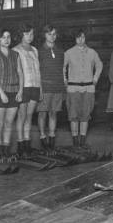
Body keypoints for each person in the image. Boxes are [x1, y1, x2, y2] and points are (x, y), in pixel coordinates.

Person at [63, 29, 103, 150]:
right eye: (78, 37)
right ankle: (75, 143)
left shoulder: (92, 52)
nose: (81, 40)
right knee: (74, 115)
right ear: (75, 39)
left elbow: (99, 65)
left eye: (83, 37)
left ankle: (82, 142)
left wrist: (95, 79)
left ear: (86, 38)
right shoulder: (68, 53)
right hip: (73, 88)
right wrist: (65, 81)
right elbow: (63, 67)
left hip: (88, 88)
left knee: (85, 115)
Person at [0, 28, 23, 159]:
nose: (6, 39)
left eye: (8, 37)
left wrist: (20, 91)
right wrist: (2, 93)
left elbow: (20, 73)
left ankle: (6, 148)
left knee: (9, 122)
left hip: (13, 91)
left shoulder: (16, 54)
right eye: (3, 37)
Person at [13, 23, 41, 156]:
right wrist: (19, 90)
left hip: (35, 86)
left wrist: (40, 88)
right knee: (22, 116)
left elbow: (38, 71)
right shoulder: (16, 50)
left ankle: (27, 144)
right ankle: (20, 146)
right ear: (21, 35)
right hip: (24, 87)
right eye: (27, 34)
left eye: (32, 34)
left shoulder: (35, 50)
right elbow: (17, 72)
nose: (30, 37)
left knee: (29, 116)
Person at [37, 25, 65, 153]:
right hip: (45, 87)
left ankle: (52, 138)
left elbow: (62, 69)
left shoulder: (60, 51)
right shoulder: (39, 51)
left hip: (57, 87)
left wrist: (63, 85)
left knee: (53, 113)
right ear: (44, 35)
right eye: (49, 34)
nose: (52, 36)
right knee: (42, 113)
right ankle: (43, 138)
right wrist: (40, 88)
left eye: (54, 34)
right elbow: (37, 71)